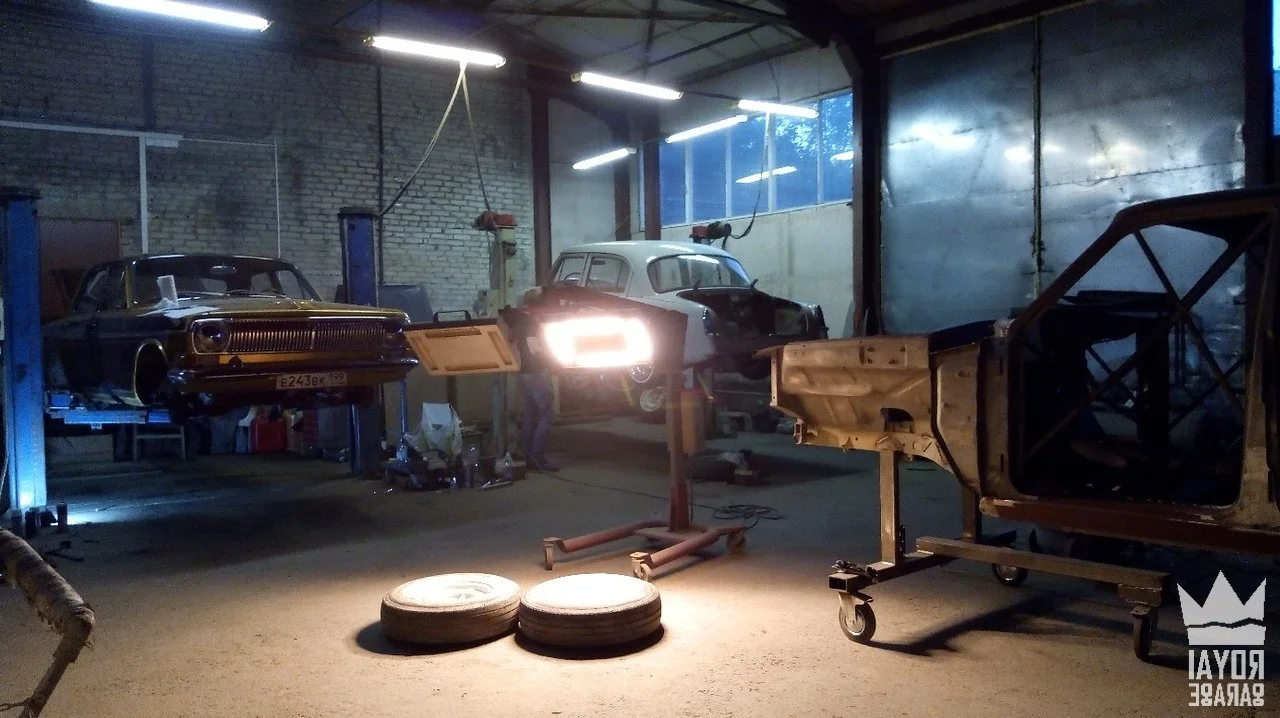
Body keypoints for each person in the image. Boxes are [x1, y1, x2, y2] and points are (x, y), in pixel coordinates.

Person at [514, 287, 559, 472]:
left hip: (524, 374)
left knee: (530, 416)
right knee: (547, 415)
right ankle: (538, 458)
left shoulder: (520, 322)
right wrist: (554, 361)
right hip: (536, 374)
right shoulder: (531, 323)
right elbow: (535, 349)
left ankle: (529, 459)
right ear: (537, 307)